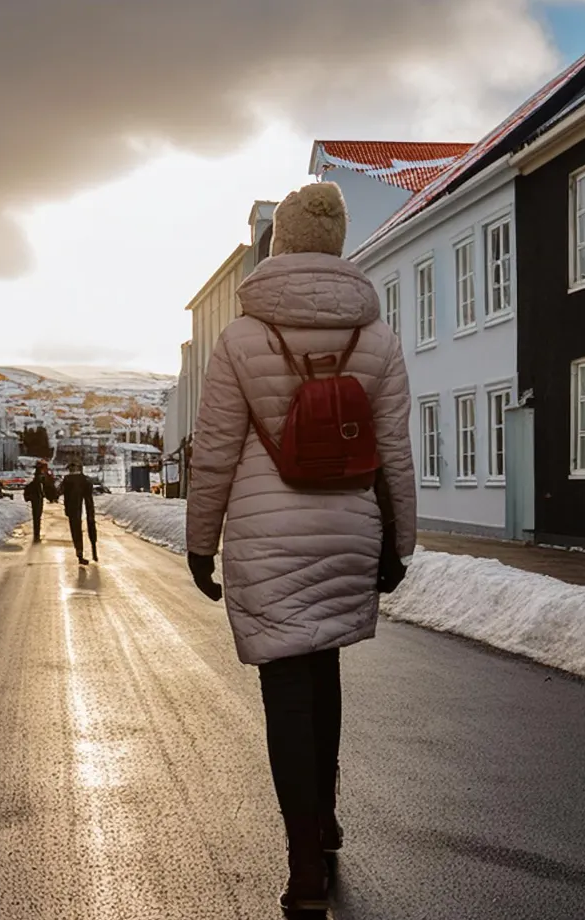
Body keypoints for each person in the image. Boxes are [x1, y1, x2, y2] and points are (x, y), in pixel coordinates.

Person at [182, 183, 416, 919]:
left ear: (279, 244)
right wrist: (399, 540)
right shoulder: (375, 337)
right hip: (349, 527)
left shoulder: (243, 338)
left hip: (266, 534)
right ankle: (326, 817)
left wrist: (200, 543)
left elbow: (215, 451)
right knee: (325, 667)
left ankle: (304, 863)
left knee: (288, 682)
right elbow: (394, 453)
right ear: (340, 243)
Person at [58, 459, 99, 564]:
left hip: (73, 509)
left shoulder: (67, 480)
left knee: (76, 530)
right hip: (87, 507)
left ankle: (80, 554)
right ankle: (94, 550)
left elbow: (58, 492)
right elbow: (89, 495)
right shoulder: (86, 479)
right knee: (91, 525)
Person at [22, 463, 58, 543]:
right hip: (37, 498)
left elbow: (46, 487)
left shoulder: (39, 477)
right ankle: (36, 535)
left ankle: (36, 535)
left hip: (37, 498)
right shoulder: (41, 477)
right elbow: (47, 486)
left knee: (37, 517)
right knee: (37, 517)